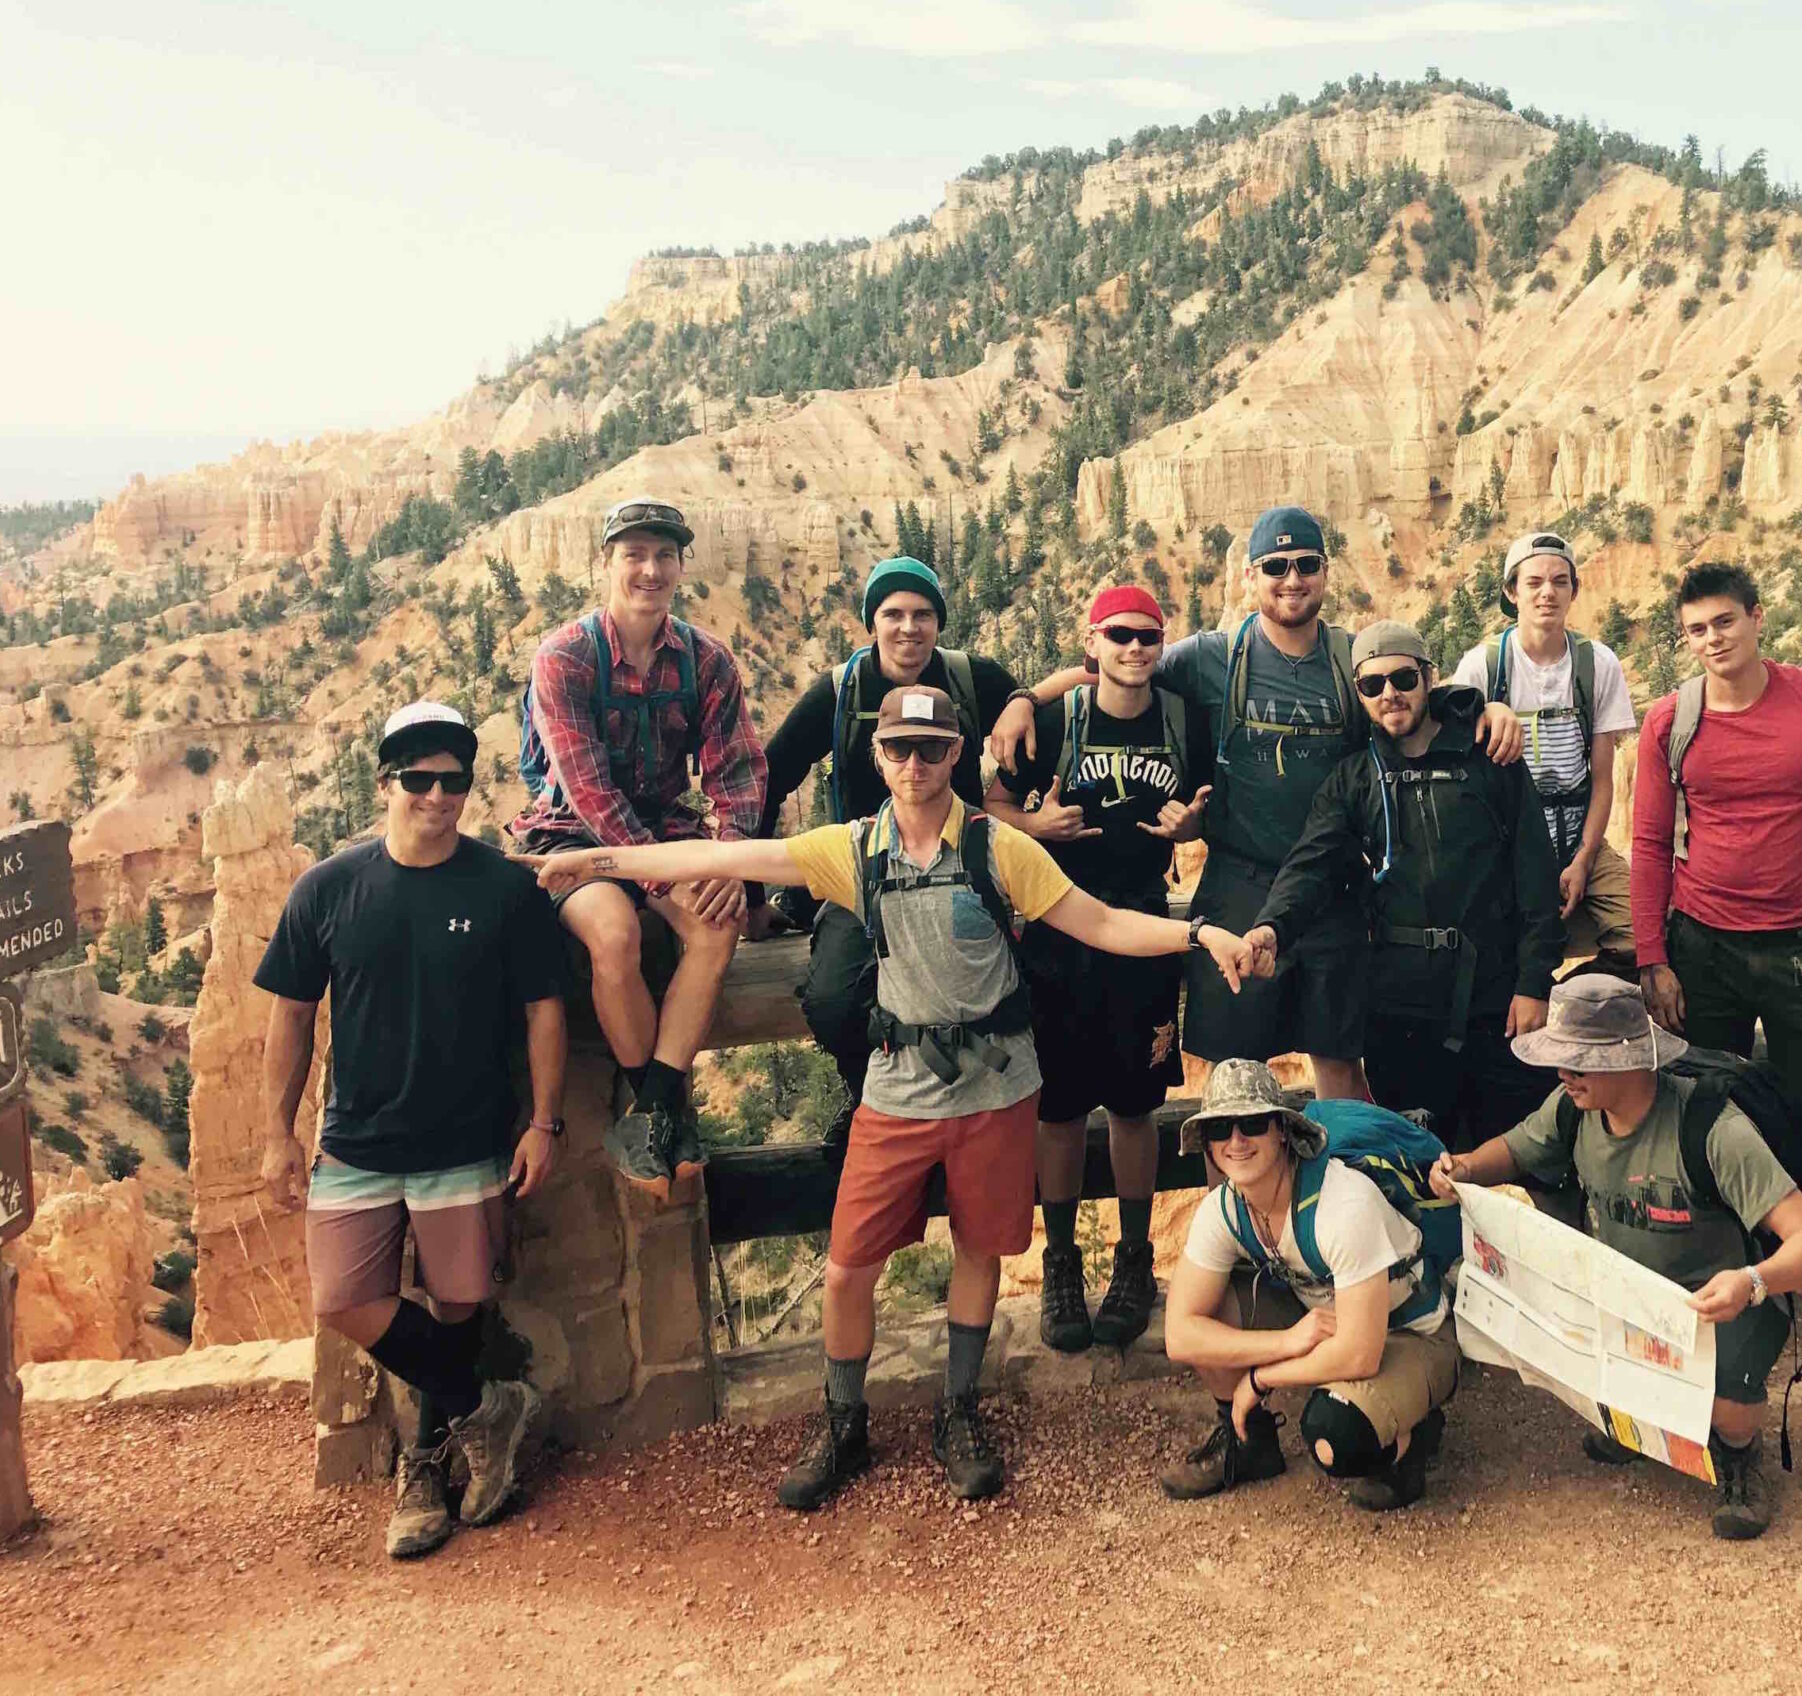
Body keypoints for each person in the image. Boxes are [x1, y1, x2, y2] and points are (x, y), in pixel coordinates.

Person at [514, 684, 1256, 1508]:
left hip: (996, 1085)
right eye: (899, 748)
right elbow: (710, 858)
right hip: (898, 1088)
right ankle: (843, 1418)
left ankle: (959, 1409)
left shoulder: (998, 849)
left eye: (932, 749)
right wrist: (595, 862)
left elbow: (1104, 924)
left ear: (955, 756)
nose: (914, 764)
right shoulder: (852, 849)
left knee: (979, 1251)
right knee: (846, 1267)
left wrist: (1198, 934)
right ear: (877, 756)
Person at [991, 506, 1521, 1098]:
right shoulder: (1211, 656)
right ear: (1250, 577)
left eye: (1305, 565)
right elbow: (1116, 669)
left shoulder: (1352, 658)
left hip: (1333, 890)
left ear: (1325, 573)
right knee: (1231, 1076)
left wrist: (1480, 709)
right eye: (1275, 566)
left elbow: (1412, 695)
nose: (1291, 579)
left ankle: (1341, 1187)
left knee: (1341, 1066)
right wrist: (1022, 698)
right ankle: (1235, 1195)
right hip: (1238, 885)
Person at [259, 702, 567, 1561]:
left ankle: (425, 1469)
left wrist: (544, 1121)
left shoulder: (503, 888)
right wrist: (277, 1133)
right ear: (384, 783)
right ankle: (487, 1402)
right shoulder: (328, 888)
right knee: (344, 1300)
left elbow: (546, 1011)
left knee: (460, 1301)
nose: (438, 796)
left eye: (455, 781)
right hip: (355, 1141)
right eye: (419, 780)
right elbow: (289, 1016)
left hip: (466, 1139)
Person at [1428, 973, 1802, 1539]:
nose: (1562, 1072)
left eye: (1579, 1059)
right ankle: (1636, 1419)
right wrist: (1466, 1168)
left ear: (1629, 1059)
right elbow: (1517, 1148)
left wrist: (1751, 1281)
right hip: (1624, 1297)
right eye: (1560, 1057)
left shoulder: (1713, 1128)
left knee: (1727, 1408)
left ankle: (1739, 1452)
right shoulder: (1572, 1107)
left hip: (1716, 1303)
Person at [1630, 561, 1802, 1347]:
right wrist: (1652, 959)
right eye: (1697, 629)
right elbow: (1646, 841)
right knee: (1706, 1115)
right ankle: (1730, 1269)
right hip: (1703, 946)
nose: (1712, 639)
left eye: (1725, 622)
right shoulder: (1672, 720)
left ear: (1757, 618)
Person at [510, 496, 765, 1201]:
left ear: (681, 565)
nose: (650, 570)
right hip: (572, 837)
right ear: (607, 564)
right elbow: (587, 791)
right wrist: (662, 876)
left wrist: (730, 858)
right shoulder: (564, 657)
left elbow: (738, 773)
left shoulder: (708, 660)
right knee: (615, 935)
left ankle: (651, 1109)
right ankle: (666, 1106)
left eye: (663, 556)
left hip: (665, 830)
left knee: (717, 925)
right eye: (634, 556)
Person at [985, 583, 1210, 1353]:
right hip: (1056, 925)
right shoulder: (1052, 722)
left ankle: (1135, 1258)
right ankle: (1059, 1263)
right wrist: (1033, 824)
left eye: (1148, 637)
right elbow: (987, 807)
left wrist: (1194, 823)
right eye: (1119, 636)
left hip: (1144, 920)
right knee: (1058, 1110)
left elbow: (1211, 799)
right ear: (1094, 641)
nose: (1135, 649)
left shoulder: (1181, 717)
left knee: (1136, 1104)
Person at [1243, 622, 1564, 1149]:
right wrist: (1271, 928)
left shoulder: (1489, 759)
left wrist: (1534, 983)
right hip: (1402, 1010)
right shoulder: (1355, 778)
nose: (1389, 693)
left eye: (1402, 678)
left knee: (1533, 1156)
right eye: (1372, 685)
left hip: (1497, 998)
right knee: (1418, 1166)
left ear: (1428, 678)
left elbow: (1535, 874)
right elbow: (1311, 866)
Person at [764, 555, 1023, 1104]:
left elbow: (1040, 725)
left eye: (923, 614)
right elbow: (770, 777)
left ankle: (969, 1105)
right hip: (864, 871)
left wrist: (1022, 708)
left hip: (964, 869)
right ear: (872, 621)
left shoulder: (971, 678)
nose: (909, 627)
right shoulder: (841, 692)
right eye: (894, 613)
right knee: (832, 1000)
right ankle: (870, 1099)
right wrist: (746, 898)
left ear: (939, 622)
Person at [1159, 1060, 1458, 1513]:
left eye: (1253, 1124)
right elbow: (1180, 1335)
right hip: (1328, 1323)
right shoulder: (1224, 1209)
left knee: (1336, 1433)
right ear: (1208, 1142)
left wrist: (1260, 1378)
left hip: (1411, 1335)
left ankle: (1412, 1437)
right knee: (1210, 1310)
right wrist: (1287, 1340)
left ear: (1282, 1131)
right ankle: (1248, 1443)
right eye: (1221, 1128)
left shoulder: (1343, 1202)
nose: (1236, 1141)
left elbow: (1360, 1352)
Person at [1448, 529, 1637, 973]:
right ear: (1512, 592)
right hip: (1505, 844)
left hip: (1576, 836)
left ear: (1574, 590)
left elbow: (1604, 778)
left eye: (1559, 581)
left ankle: (1571, 1003)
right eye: (1533, 583)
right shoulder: (1484, 664)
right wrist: (1490, 707)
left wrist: (1583, 862)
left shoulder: (1596, 663)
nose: (1547, 593)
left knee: (1645, 931)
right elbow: (1452, 758)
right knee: (1498, 951)